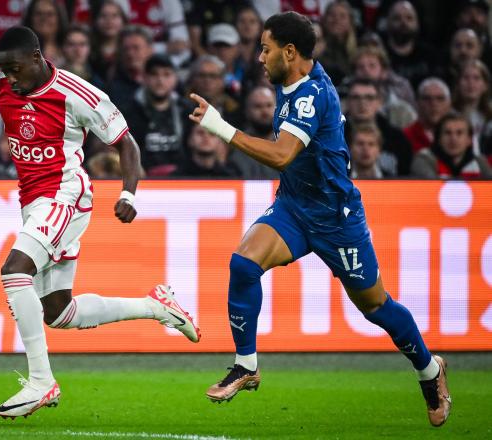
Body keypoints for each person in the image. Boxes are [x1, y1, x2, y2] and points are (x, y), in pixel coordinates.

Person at [0, 26, 199, 419]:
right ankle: (157, 307)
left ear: (37, 58)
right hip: (32, 201)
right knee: (59, 313)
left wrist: (128, 193)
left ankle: (41, 382)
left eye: (15, 69)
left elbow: (125, 143)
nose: (9, 77)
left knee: (15, 272)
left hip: (67, 195)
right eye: (3, 69)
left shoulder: (80, 95)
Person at [188, 11, 451, 426]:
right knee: (243, 262)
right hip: (295, 205)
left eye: (266, 48)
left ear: (289, 52)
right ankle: (246, 364)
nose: (259, 57)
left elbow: (281, 155)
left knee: (375, 306)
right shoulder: (294, 77)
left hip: (336, 218)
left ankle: (429, 370)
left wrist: (220, 126)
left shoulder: (311, 94)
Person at [411, 112, 492, 179]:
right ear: (438, 138)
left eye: (459, 133)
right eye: (447, 133)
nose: (453, 139)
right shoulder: (424, 159)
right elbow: (432, 190)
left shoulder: (479, 162)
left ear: (469, 140)